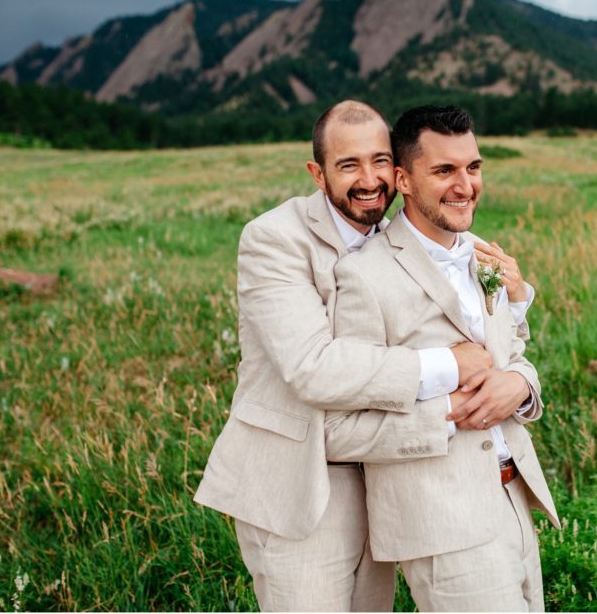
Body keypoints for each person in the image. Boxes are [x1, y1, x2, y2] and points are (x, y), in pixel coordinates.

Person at [193, 100, 535, 612]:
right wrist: (448, 366)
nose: (369, 179)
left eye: (379, 160)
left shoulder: (410, 237)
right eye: (348, 165)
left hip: (388, 472)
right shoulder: (274, 238)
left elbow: (475, 328)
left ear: (398, 172)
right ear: (317, 173)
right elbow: (313, 365)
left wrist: (515, 303)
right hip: (300, 476)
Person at [325, 105, 561, 612]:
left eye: (473, 167)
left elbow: (512, 353)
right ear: (404, 180)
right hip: (441, 524)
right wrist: (450, 412)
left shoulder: (482, 253)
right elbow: (338, 429)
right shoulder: (363, 277)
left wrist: (519, 384)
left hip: (514, 497)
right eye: (444, 171)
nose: (465, 185)